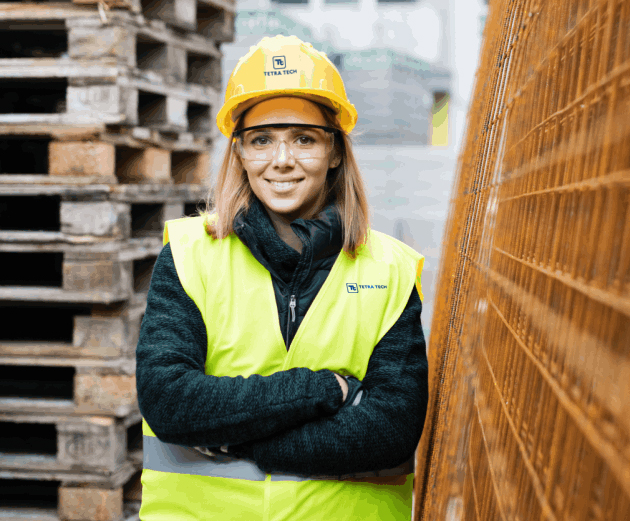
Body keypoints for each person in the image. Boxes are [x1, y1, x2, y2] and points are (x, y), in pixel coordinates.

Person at [136, 35, 428, 520]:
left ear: (335, 151)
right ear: (240, 154)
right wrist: (324, 391)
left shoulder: (390, 271)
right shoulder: (191, 255)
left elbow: (390, 431)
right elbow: (168, 401)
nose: (282, 159)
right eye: (262, 140)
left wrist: (231, 434)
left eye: (304, 138)